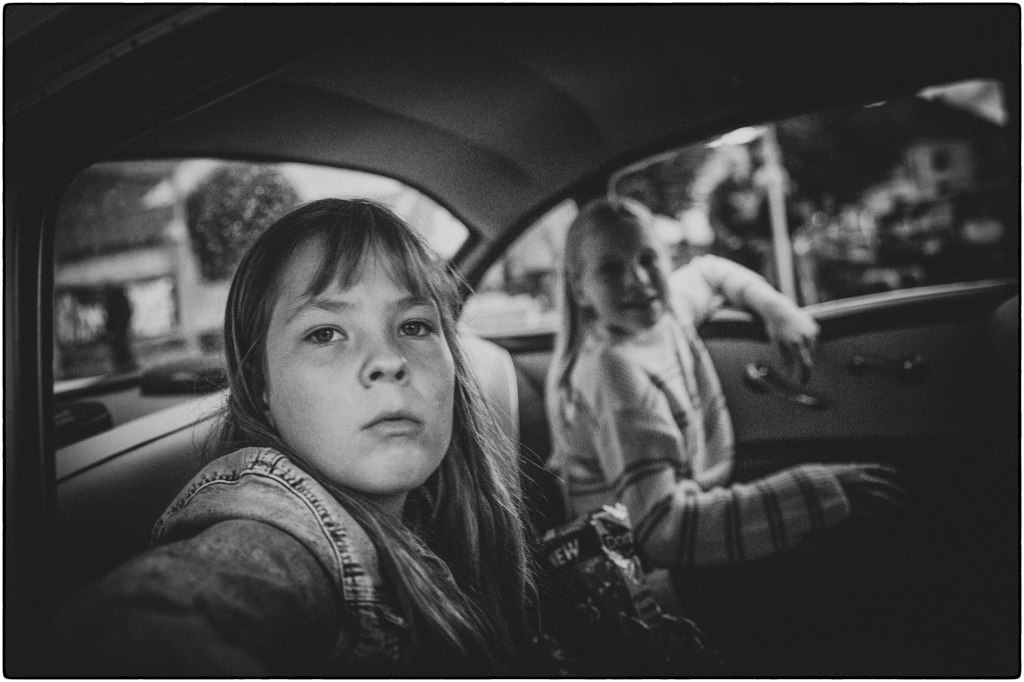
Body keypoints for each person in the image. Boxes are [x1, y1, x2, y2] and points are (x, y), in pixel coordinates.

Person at [48, 199, 537, 676]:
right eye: (325, 333)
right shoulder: (278, 532)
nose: (389, 360)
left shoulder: (451, 522)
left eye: (414, 325)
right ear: (261, 386)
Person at [545, 197, 905, 671]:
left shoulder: (667, 313)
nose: (640, 281)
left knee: (855, 548)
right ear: (580, 289)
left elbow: (711, 272)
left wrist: (775, 309)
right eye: (611, 270)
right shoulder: (614, 372)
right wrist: (816, 489)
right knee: (848, 570)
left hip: (680, 539)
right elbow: (661, 532)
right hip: (644, 585)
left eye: (649, 259)